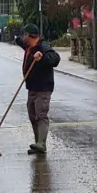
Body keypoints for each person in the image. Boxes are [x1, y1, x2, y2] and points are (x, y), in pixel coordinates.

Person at [20, 24, 60, 155]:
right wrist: (16, 40)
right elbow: (20, 41)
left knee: (41, 114)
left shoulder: (43, 46)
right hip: (32, 87)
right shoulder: (29, 46)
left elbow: (55, 59)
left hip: (43, 88)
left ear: (28, 35)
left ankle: (41, 144)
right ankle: (38, 143)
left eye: (24, 34)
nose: (23, 37)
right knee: (32, 114)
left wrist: (42, 57)